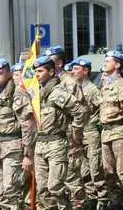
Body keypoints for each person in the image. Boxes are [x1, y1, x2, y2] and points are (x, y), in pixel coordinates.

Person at [32, 55, 86, 210]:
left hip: (56, 143)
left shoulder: (57, 92)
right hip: (40, 143)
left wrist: (75, 133)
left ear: (50, 72)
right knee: (42, 189)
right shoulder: (37, 94)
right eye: (35, 71)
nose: (37, 74)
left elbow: (79, 111)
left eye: (40, 71)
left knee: (55, 186)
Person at [0, 58, 37, 210]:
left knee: (11, 191)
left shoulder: (17, 94)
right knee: (0, 194)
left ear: (8, 73)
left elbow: (28, 125)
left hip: (12, 149)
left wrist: (28, 154)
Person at [99, 50, 123, 210]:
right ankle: (116, 202)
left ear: (117, 64)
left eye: (108, 61)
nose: (104, 63)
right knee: (108, 171)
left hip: (119, 133)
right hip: (106, 133)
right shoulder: (106, 86)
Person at [71, 57, 105, 210]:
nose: (73, 72)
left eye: (76, 69)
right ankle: (90, 198)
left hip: (90, 132)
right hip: (78, 133)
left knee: (95, 167)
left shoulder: (92, 89)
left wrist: (95, 123)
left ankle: (103, 199)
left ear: (85, 71)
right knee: (83, 168)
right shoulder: (73, 89)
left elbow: (102, 108)